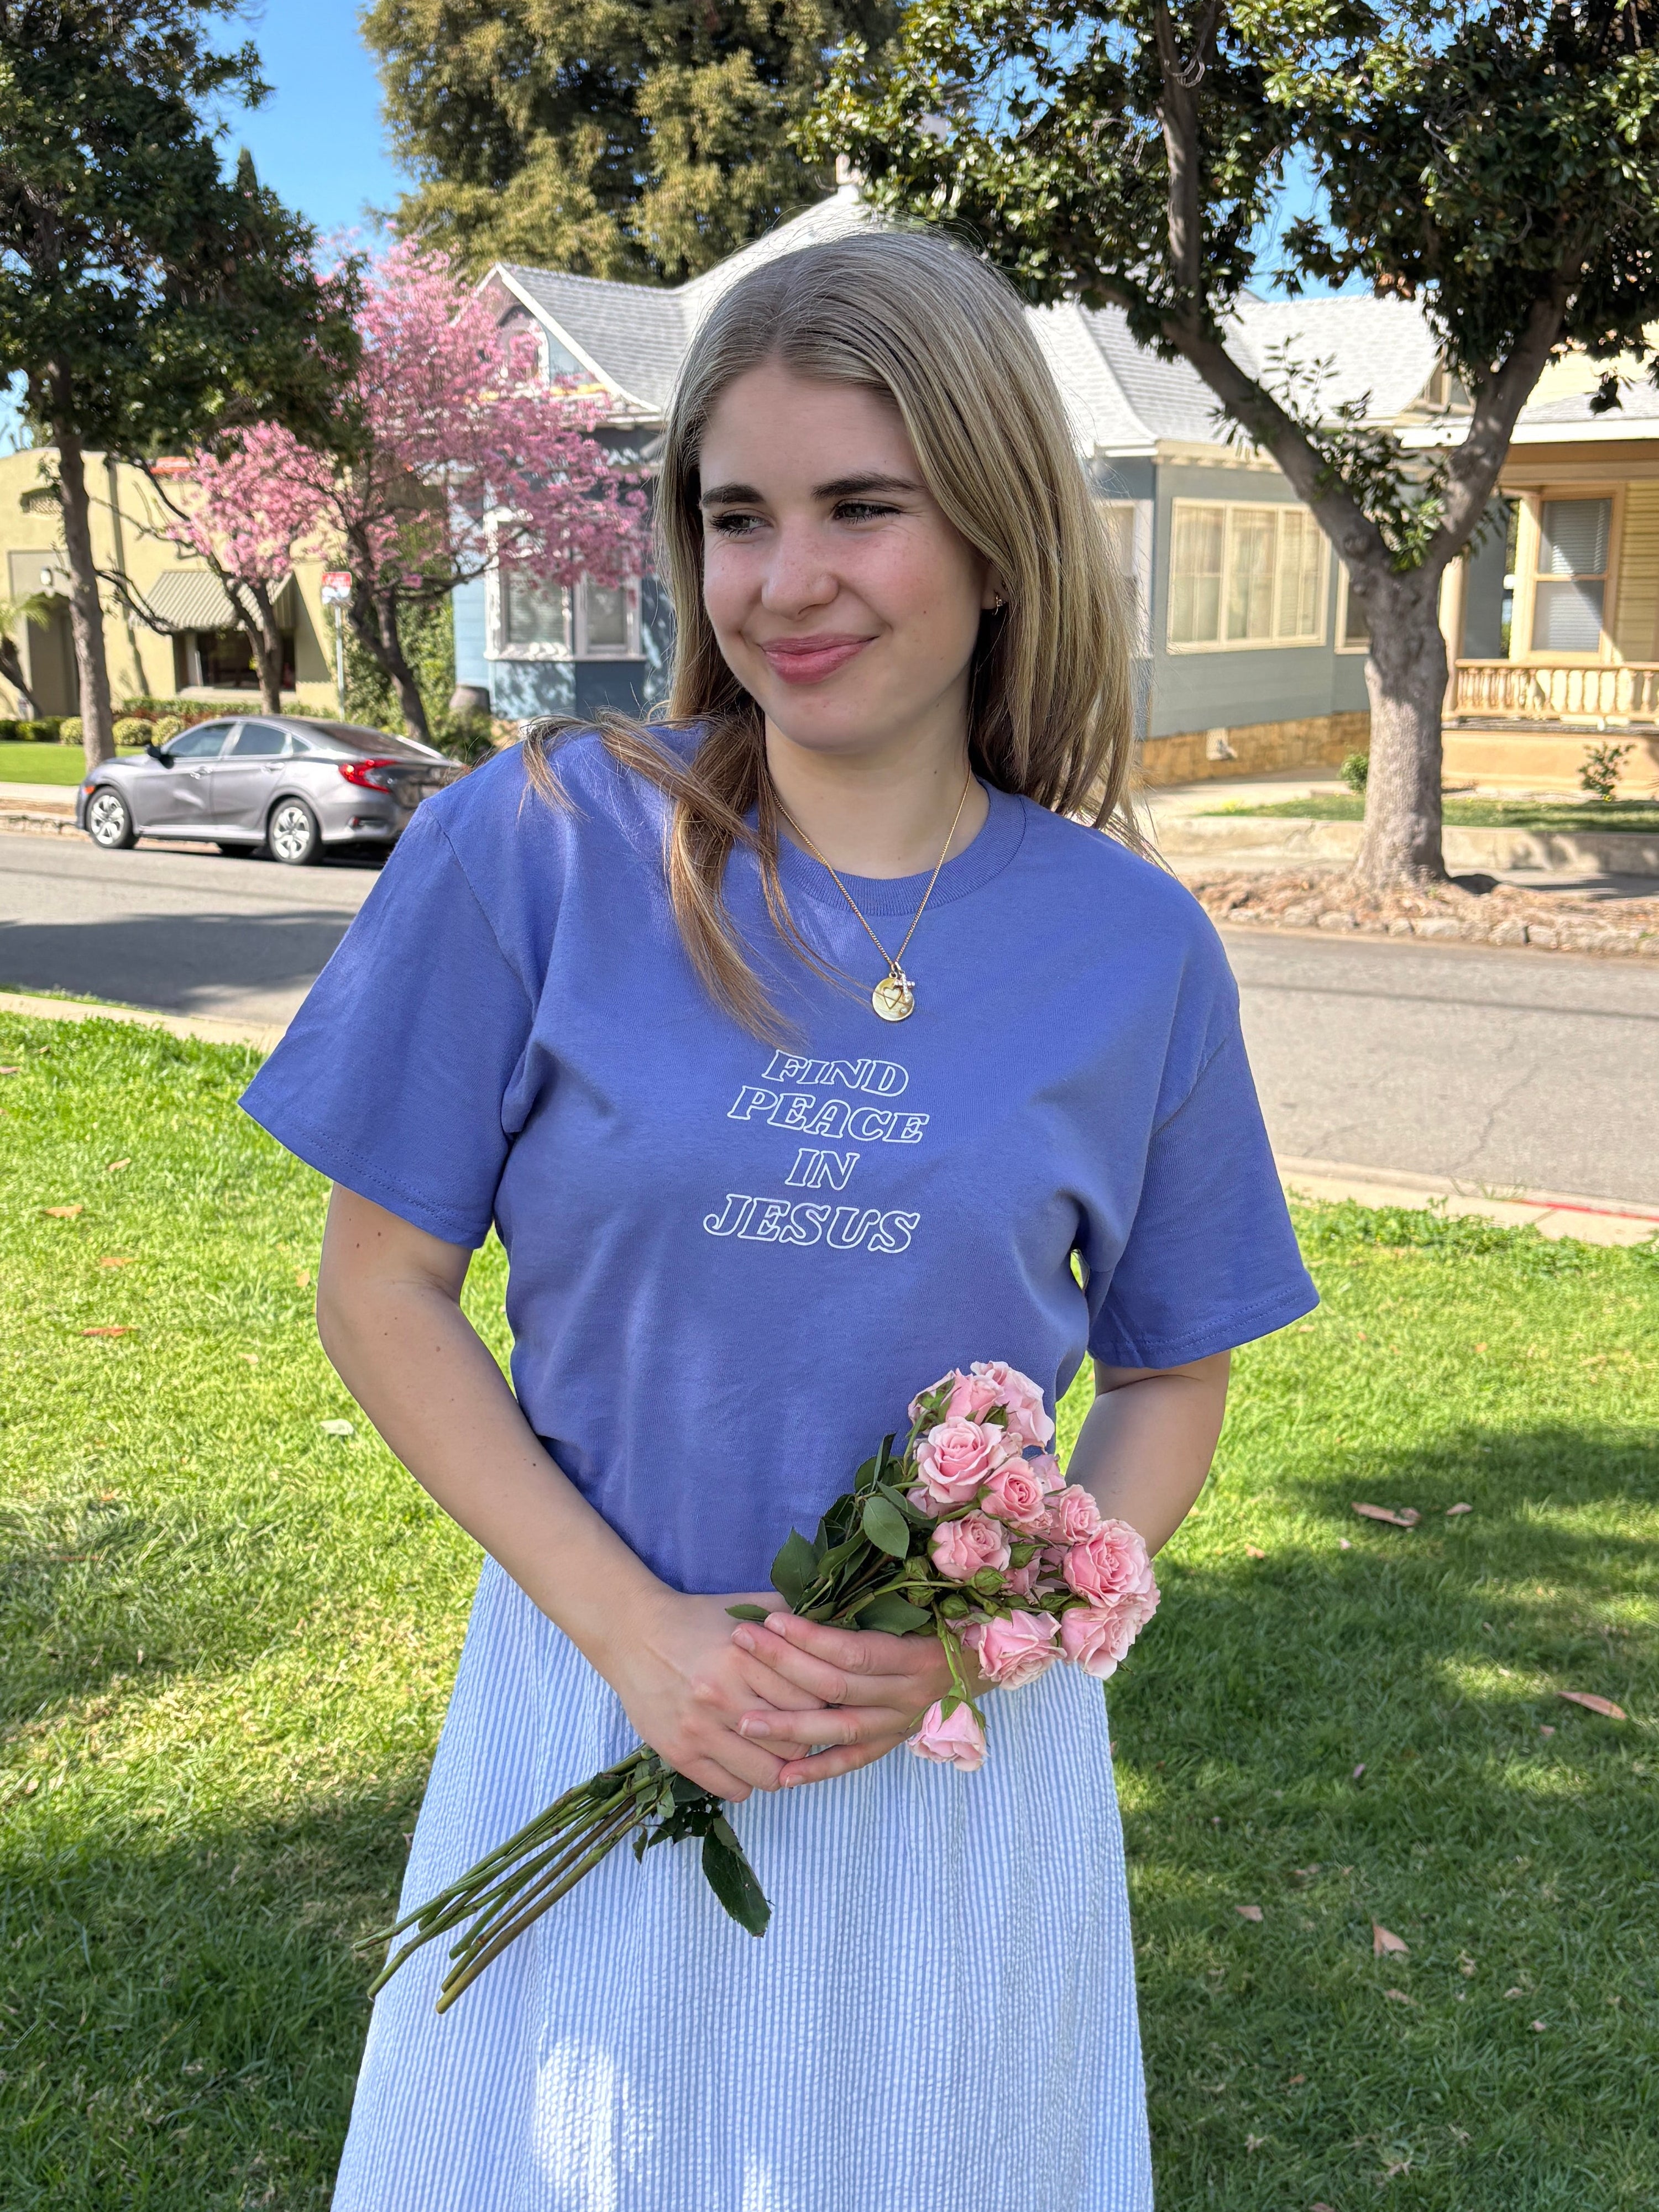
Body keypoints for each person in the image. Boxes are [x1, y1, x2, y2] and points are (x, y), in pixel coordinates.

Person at [241, 226, 1316, 2212]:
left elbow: (1172, 1374)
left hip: (947, 1772)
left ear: (997, 535)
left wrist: (979, 1646)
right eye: (736, 517)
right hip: (594, 1691)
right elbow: (381, 1287)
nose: (784, 580)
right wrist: (635, 1634)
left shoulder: (1130, 945)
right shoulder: (542, 839)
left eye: (860, 508)